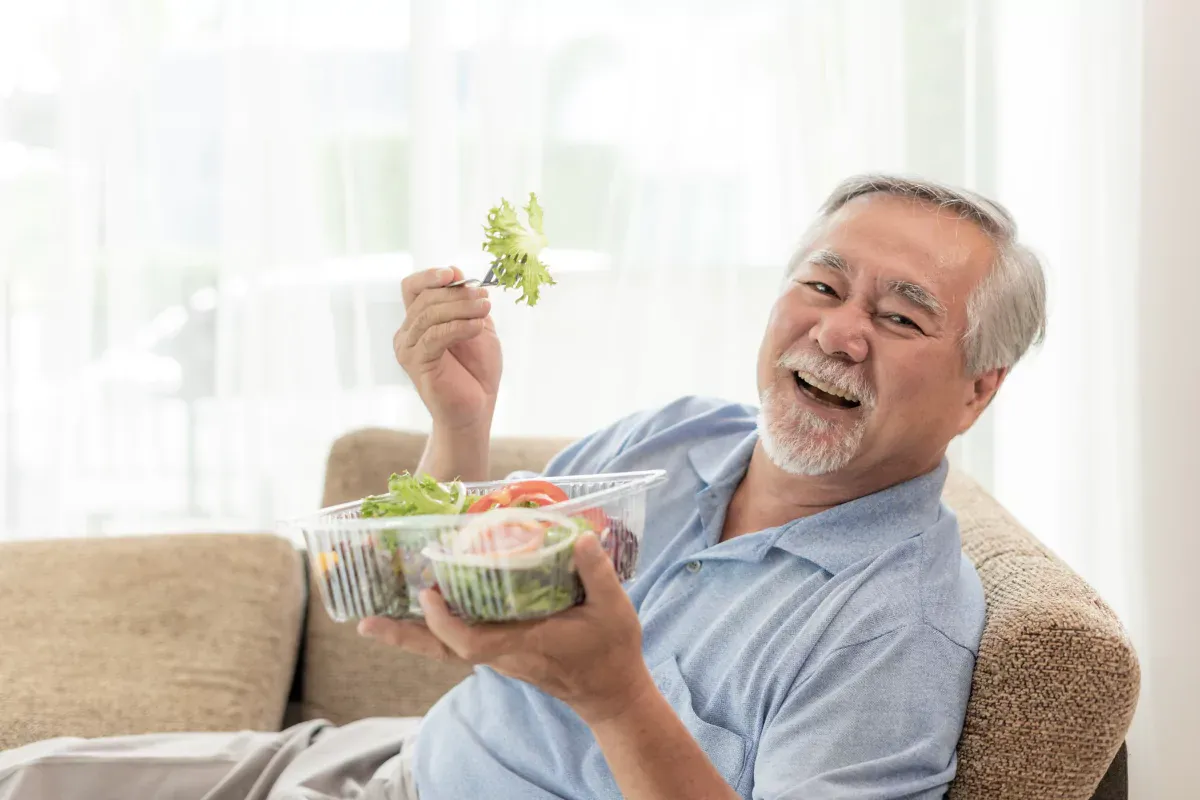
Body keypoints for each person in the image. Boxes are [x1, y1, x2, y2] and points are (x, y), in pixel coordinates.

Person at [0, 173, 1047, 800]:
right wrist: (459, 422)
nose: (839, 329)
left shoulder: (899, 629)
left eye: (903, 316)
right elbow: (418, 590)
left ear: (978, 390)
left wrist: (617, 694)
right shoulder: (681, 438)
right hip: (377, 765)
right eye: (821, 283)